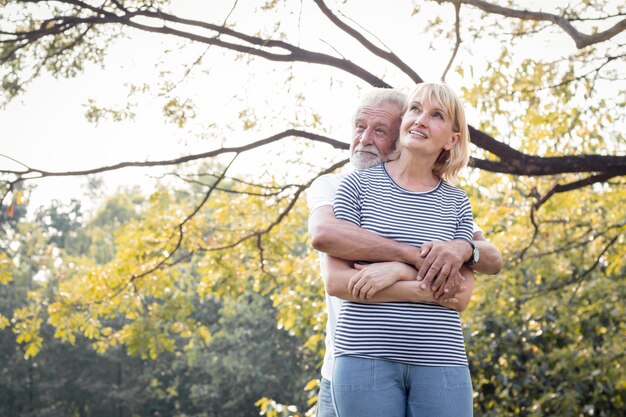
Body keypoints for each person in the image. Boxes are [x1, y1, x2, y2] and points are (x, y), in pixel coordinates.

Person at [306, 87, 502, 417]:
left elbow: (470, 282)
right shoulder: (344, 186)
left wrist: (400, 270)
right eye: (359, 127)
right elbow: (334, 267)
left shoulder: (455, 201)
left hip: (439, 356)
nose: (365, 139)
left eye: (379, 129)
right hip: (357, 355)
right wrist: (415, 266)